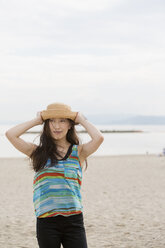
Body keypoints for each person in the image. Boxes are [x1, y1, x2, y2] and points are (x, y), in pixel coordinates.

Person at [5, 102, 104, 248]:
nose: (56, 126)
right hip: (46, 222)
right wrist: (37, 120)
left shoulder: (79, 152)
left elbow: (99, 138)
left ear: (70, 125)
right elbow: (10, 134)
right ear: (46, 125)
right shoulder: (37, 152)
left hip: (74, 221)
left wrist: (81, 119)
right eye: (51, 121)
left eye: (62, 121)